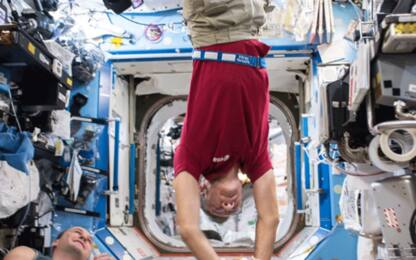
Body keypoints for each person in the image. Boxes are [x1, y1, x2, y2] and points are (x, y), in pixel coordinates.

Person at [173, 0, 279, 259]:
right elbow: (271, 218)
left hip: (212, 22)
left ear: (203, 190)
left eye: (219, 209)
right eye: (234, 208)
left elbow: (188, 228)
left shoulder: (191, 159)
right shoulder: (254, 160)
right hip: (251, 21)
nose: (229, 205)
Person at [5, 226, 112, 260]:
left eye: (89, 241)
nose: (84, 237)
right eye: (77, 232)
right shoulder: (26, 254)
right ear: (56, 242)